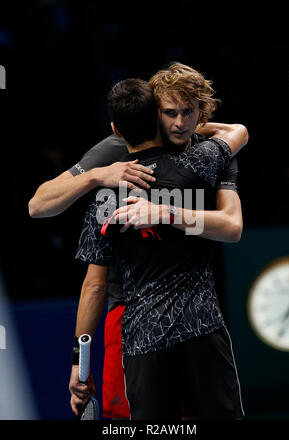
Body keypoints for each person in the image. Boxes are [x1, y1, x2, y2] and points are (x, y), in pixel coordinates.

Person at [28, 62, 247, 418]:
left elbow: (233, 227)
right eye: (170, 112)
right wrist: (97, 176)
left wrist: (165, 213)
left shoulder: (211, 154)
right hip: (130, 308)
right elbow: (37, 205)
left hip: (199, 314)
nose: (179, 123)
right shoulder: (113, 153)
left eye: (188, 112)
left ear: (200, 113)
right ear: (153, 112)